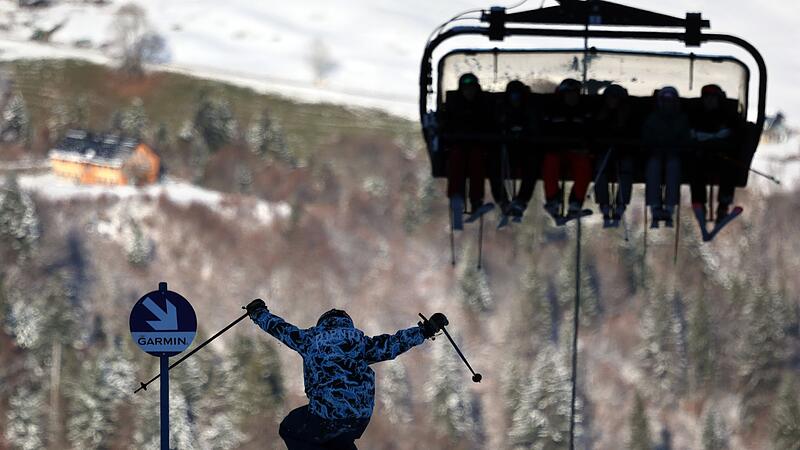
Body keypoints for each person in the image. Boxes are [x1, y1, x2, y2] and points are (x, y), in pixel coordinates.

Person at [245, 299, 449, 450]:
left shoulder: (310, 340)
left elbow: (280, 329)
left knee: (290, 427)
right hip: (359, 416)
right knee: (338, 442)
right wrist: (425, 330)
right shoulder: (362, 344)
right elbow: (394, 343)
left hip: (326, 413)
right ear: (347, 325)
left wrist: (258, 313)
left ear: (322, 324)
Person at [440, 73, 495, 231]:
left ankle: (476, 200)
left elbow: (490, 124)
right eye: (466, 89)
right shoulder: (453, 105)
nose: (469, 93)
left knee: (476, 161)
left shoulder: (484, 105)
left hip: (477, 147)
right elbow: (446, 124)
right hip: (457, 146)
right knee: (456, 159)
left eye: (471, 89)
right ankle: (456, 197)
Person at [688, 84, 741, 230]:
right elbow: (691, 133)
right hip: (701, 157)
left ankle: (723, 206)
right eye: (707, 98)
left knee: (728, 168)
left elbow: (734, 133)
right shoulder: (697, 114)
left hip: (721, 157)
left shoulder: (728, 115)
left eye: (713, 98)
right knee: (696, 168)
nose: (709, 102)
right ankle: (699, 204)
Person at [541, 78, 593, 224]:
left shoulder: (584, 110)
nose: (573, 97)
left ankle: (575, 204)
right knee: (550, 162)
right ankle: (552, 201)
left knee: (583, 165)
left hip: (577, 151)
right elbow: (544, 130)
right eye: (569, 94)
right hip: (556, 150)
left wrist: (586, 147)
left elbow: (590, 131)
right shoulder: (552, 109)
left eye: (575, 93)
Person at [493, 80, 541, 227]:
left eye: (518, 96)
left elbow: (535, 126)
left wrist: (525, 133)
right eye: (513, 97)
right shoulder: (502, 109)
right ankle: (503, 200)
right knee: (494, 164)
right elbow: (496, 125)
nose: (516, 100)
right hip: (507, 149)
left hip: (525, 149)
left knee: (532, 164)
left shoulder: (530, 109)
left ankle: (522, 200)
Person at [642, 86, 691, 228]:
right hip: (656, 154)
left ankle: (670, 205)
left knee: (673, 166)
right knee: (653, 165)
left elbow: (686, 138)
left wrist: (676, 146)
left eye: (671, 101)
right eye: (665, 100)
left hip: (674, 154)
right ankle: (655, 205)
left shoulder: (681, 119)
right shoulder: (652, 118)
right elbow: (646, 137)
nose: (668, 104)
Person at [592, 84, 637, 228]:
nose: (613, 102)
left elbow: (632, 135)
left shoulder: (628, 115)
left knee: (626, 168)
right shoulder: (600, 114)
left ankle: (621, 204)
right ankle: (604, 204)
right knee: (601, 168)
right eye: (610, 98)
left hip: (623, 152)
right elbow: (594, 132)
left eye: (615, 99)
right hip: (604, 151)